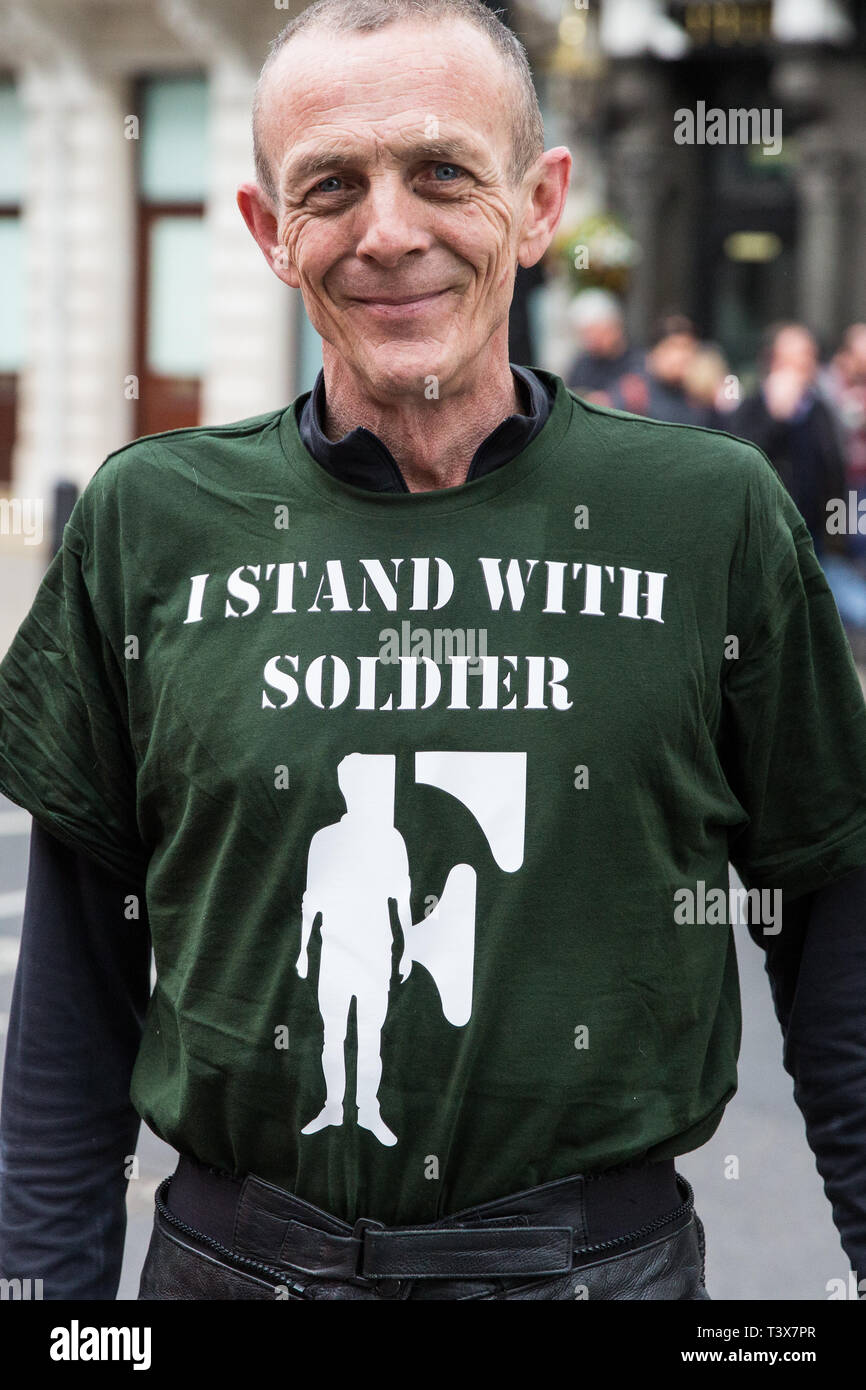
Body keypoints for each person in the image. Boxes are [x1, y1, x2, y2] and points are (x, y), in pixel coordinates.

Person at [2, 0, 866, 1302]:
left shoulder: (711, 514)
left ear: (537, 202)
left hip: (596, 1272)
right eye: (331, 186)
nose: (387, 230)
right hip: (233, 1268)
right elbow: (70, 1019)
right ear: (268, 232)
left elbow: (836, 952)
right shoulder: (148, 520)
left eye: (442, 172)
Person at [564, 288, 643, 406]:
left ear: (615, 326)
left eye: (596, 332)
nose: (592, 340)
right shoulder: (582, 365)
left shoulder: (639, 362)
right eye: (585, 334)